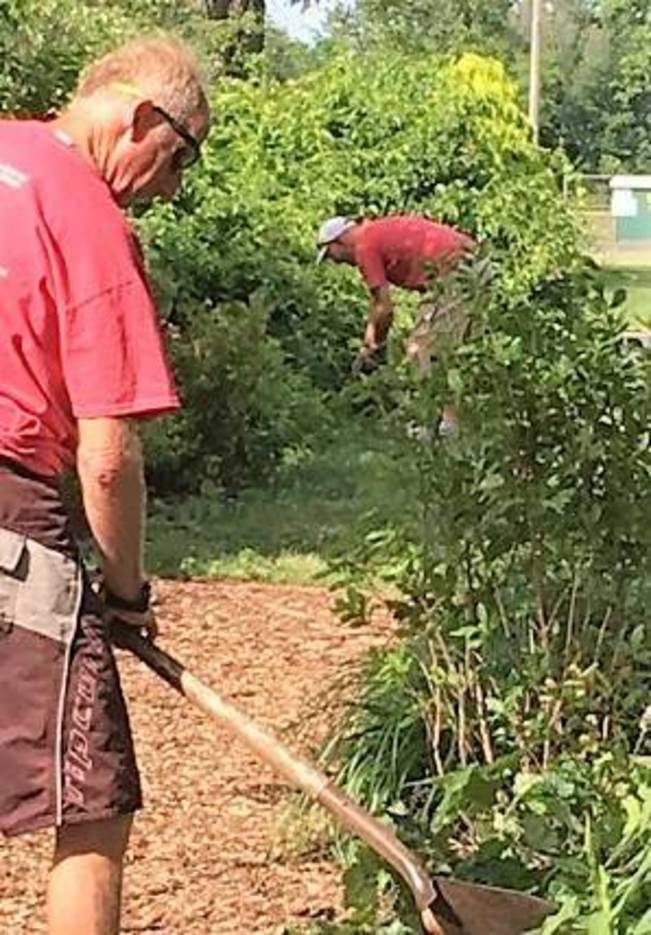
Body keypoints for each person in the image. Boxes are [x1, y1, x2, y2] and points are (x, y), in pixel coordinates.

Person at [0, 35, 209, 935]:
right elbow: (109, 457)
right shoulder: (88, 219)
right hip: (11, 504)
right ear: (141, 117)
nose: (171, 187)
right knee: (90, 794)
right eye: (182, 157)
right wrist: (125, 594)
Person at [316, 214, 479, 431]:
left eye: (331, 254)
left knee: (421, 350)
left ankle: (432, 426)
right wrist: (370, 341)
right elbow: (379, 306)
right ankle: (450, 424)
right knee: (455, 352)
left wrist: (374, 346)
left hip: (455, 270)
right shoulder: (376, 232)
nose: (336, 262)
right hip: (475, 262)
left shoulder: (364, 245)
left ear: (341, 241)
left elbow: (384, 309)